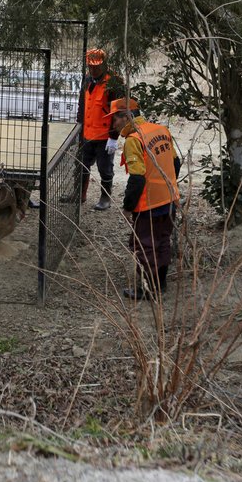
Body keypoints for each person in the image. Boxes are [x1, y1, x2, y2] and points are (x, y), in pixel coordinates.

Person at [107, 97, 181, 301]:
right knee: (163, 240)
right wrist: (168, 187)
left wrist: (128, 207)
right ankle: (161, 284)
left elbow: (137, 178)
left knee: (144, 245)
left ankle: (149, 289)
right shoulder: (161, 130)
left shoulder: (134, 140)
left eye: (115, 119)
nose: (114, 125)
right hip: (169, 200)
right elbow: (176, 163)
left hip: (149, 204)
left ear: (126, 117)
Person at [66, 48, 124, 210]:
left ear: (104, 64)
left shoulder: (114, 82)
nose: (93, 69)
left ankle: (105, 197)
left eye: (96, 66)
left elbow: (118, 113)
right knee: (81, 166)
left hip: (104, 136)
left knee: (105, 169)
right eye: (90, 66)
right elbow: (82, 106)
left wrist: (114, 137)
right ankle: (79, 195)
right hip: (86, 134)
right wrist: (78, 128)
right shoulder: (87, 80)